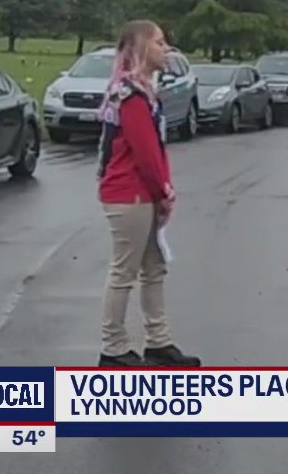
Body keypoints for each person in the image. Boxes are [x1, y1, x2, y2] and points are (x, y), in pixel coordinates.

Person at [95, 20, 200, 368]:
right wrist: (162, 190)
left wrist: (163, 190)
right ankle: (113, 348)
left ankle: (158, 342)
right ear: (140, 49)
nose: (166, 49)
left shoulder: (145, 92)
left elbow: (157, 150)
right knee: (124, 271)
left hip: (145, 194)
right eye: (158, 42)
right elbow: (145, 153)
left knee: (154, 268)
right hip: (129, 195)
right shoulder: (131, 96)